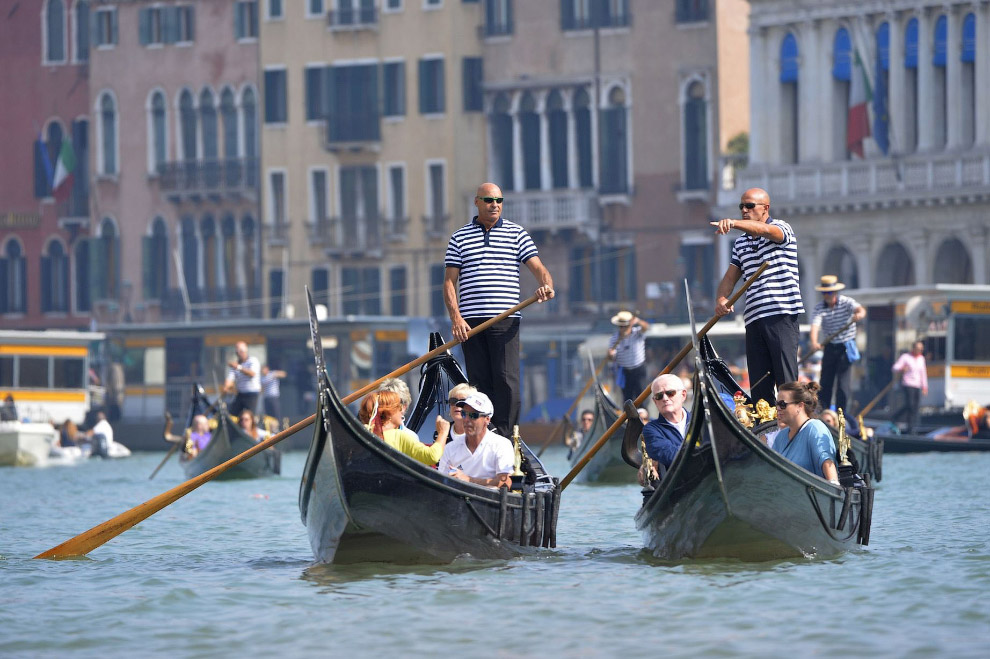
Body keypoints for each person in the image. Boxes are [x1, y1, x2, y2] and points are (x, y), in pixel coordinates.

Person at [444, 182, 555, 436]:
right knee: (479, 381)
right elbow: (449, 282)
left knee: (506, 381)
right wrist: (456, 319)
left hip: (506, 320)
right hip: (470, 323)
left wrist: (546, 286)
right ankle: (484, 433)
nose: (495, 205)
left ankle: (506, 436)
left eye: (499, 201)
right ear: (477, 202)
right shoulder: (459, 238)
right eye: (488, 200)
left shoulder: (517, 234)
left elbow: (539, 269)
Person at [712, 187, 804, 408]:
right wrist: (722, 299)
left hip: (781, 316)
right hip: (753, 319)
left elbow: (765, 230)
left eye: (750, 206)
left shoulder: (782, 228)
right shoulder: (740, 243)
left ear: (765, 208)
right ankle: (767, 434)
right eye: (741, 206)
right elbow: (730, 276)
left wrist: (733, 223)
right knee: (760, 389)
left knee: (786, 384)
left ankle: (793, 429)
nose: (744, 210)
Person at [809, 275, 866, 414]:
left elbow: (861, 310)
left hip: (845, 347)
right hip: (830, 346)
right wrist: (814, 342)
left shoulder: (846, 302)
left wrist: (859, 315)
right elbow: (815, 326)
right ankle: (823, 413)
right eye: (824, 293)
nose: (826, 295)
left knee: (843, 385)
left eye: (829, 292)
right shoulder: (819, 308)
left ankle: (842, 416)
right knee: (825, 383)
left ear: (835, 292)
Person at [438, 391, 514, 488]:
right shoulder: (450, 448)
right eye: (464, 413)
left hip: (489, 502)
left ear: (487, 419)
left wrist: (469, 480)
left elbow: (505, 482)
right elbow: (440, 483)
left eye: (473, 415)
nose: (466, 419)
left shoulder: (502, 445)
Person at [358, 390, 451, 466]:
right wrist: (443, 432)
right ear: (389, 413)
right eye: (399, 407)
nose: (402, 410)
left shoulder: (362, 432)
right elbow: (432, 456)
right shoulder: (400, 436)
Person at [772, 381, 839, 483]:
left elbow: (827, 464)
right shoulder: (781, 436)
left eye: (782, 404)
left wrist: (834, 483)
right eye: (776, 404)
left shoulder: (815, 428)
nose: (777, 408)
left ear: (800, 406)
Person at [642, 374, 692, 472]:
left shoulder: (701, 421)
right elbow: (669, 456)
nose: (665, 398)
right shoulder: (651, 430)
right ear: (655, 402)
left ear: (683, 395)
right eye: (659, 396)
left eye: (670, 393)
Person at [608, 311, 650, 403]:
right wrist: (610, 355)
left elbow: (646, 327)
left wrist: (638, 321)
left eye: (625, 326)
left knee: (642, 396)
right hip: (625, 371)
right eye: (621, 326)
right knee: (627, 398)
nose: (623, 329)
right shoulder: (614, 339)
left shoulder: (637, 333)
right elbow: (611, 358)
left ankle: (644, 414)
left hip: (639, 369)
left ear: (629, 325)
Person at [891, 340, 928, 433]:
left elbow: (923, 373)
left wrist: (925, 387)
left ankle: (911, 426)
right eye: (918, 349)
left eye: (921, 349)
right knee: (910, 405)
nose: (920, 351)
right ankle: (908, 426)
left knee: (915, 407)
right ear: (914, 348)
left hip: (917, 385)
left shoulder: (921, 359)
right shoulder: (906, 357)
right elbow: (894, 368)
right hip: (908, 384)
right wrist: (902, 368)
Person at [224, 341, 261, 417]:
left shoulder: (253, 361)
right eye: (237, 352)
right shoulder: (235, 365)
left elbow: (252, 373)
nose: (239, 354)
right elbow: (230, 379)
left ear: (245, 352)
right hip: (240, 394)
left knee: (249, 416)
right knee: (233, 414)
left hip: (252, 394)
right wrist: (226, 387)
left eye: (241, 352)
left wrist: (238, 367)